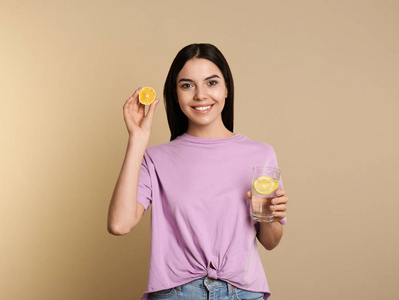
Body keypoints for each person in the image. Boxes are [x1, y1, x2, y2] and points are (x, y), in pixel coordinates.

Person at [107, 43, 288, 300]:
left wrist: (271, 215)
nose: (200, 95)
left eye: (211, 83)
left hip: (244, 293)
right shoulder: (156, 159)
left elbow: (270, 242)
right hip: (177, 293)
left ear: (227, 89)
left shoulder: (261, 154)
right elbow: (119, 224)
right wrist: (137, 139)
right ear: (175, 94)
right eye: (187, 85)